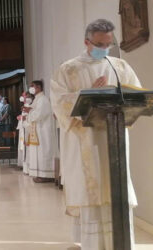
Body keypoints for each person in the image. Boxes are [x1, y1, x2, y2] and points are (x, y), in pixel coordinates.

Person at [50, 19, 141, 249]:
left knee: (115, 187)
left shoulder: (119, 67)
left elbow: (136, 96)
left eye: (109, 44)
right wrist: (88, 93)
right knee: (93, 188)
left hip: (115, 136)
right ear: (87, 42)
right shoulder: (68, 69)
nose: (105, 49)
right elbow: (59, 103)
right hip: (87, 140)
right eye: (100, 44)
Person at [23, 80, 57, 183]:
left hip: (43, 131)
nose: (31, 88)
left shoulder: (43, 99)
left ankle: (46, 174)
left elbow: (39, 114)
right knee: (39, 152)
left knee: (44, 151)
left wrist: (29, 111)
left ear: (38, 87)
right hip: (38, 130)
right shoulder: (37, 99)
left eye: (32, 86)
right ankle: (40, 174)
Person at [22, 93, 34, 175]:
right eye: (26, 97)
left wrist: (25, 118)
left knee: (31, 150)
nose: (27, 99)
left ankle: (31, 169)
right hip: (26, 128)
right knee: (27, 149)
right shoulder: (26, 106)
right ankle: (27, 169)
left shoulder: (34, 105)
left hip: (31, 128)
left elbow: (31, 116)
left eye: (29, 97)